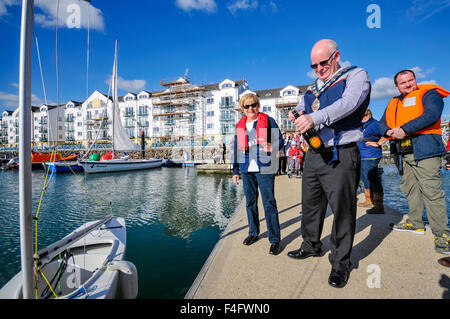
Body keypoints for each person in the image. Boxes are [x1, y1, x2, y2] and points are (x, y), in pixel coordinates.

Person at [287, 39, 370, 288]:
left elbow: (349, 104)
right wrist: (296, 113)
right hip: (314, 154)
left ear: (337, 56)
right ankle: (310, 245)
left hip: (341, 151)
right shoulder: (313, 87)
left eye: (323, 62)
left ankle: (340, 263)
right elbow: (302, 106)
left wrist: (313, 117)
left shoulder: (357, 75)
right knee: (310, 205)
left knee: (343, 210)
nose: (319, 68)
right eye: (314, 65)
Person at [378, 69, 449, 255]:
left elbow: (432, 114)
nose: (408, 84)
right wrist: (387, 132)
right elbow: (381, 123)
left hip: (425, 150)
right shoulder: (393, 102)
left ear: (415, 80)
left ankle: (442, 234)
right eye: (403, 83)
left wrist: (404, 129)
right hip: (403, 153)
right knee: (409, 188)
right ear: (397, 86)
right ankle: (415, 222)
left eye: (411, 80)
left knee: (432, 191)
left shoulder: (429, 94)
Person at [232, 93, 284, 255]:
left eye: (253, 105)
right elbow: (236, 149)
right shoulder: (240, 125)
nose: (251, 108)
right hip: (246, 168)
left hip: (265, 166)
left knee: (269, 202)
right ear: (242, 109)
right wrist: (235, 170)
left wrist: (273, 147)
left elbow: (280, 139)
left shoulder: (267, 120)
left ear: (258, 105)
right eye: (247, 106)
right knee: (250, 202)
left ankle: (274, 239)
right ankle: (253, 232)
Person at [357, 108, 387, 214]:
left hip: (371, 155)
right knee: (365, 177)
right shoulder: (359, 123)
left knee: (373, 179)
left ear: (366, 112)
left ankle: (379, 206)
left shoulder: (375, 124)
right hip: (361, 154)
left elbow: (387, 133)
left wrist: (378, 143)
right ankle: (369, 200)